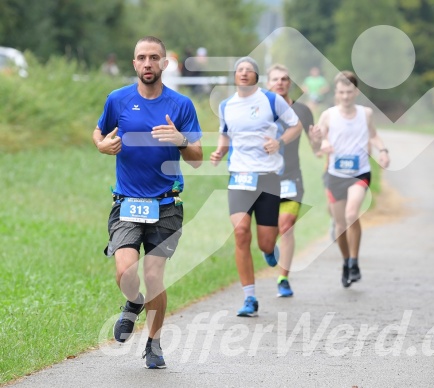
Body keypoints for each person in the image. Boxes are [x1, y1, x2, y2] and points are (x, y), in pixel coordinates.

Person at [92, 36, 203, 369]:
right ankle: (134, 303)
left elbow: (197, 159)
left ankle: (153, 344)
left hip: (166, 204)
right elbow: (99, 132)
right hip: (127, 202)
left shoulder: (181, 105)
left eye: (155, 57)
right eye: (142, 58)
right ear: (134, 64)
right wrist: (101, 145)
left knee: (154, 276)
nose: (148, 63)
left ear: (165, 64)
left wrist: (181, 140)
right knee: (125, 271)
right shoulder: (118, 99)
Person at [210, 57, 302, 316]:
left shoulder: (272, 100)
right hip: (239, 176)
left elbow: (296, 125)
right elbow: (225, 133)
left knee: (264, 243)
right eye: (240, 70)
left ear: (256, 77)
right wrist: (219, 151)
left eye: (249, 70)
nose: (244, 73)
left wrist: (279, 142)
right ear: (235, 76)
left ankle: (269, 248)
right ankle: (249, 297)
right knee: (240, 232)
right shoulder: (227, 105)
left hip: (268, 177)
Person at [316, 71, 390, 288]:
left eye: (349, 92)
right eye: (341, 92)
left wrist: (383, 150)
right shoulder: (328, 115)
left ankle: (355, 261)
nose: (345, 96)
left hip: (359, 172)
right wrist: (322, 145)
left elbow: (373, 134)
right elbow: (318, 139)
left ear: (356, 92)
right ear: (336, 93)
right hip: (335, 175)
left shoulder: (365, 113)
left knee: (351, 214)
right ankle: (346, 262)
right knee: (340, 224)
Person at [265, 64, 320, 297]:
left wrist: (318, 140)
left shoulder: (303, 111)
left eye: (285, 78)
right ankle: (268, 249)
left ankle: (283, 278)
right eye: (275, 79)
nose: (280, 82)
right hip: (264, 179)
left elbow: (316, 149)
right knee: (268, 235)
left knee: (286, 227)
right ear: (268, 84)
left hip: (291, 177)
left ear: (290, 83)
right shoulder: (258, 110)